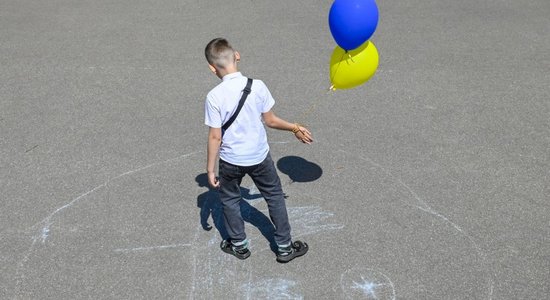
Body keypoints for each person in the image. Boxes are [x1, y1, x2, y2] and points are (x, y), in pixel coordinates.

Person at [204, 38, 313, 263]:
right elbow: (271, 121)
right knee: (274, 196)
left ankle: (239, 245)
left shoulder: (214, 96)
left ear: (212, 68)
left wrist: (210, 169)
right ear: (237, 55)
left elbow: (216, 136)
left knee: (231, 199)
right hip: (259, 156)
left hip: (231, 159)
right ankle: (284, 247)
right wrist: (295, 127)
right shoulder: (258, 86)